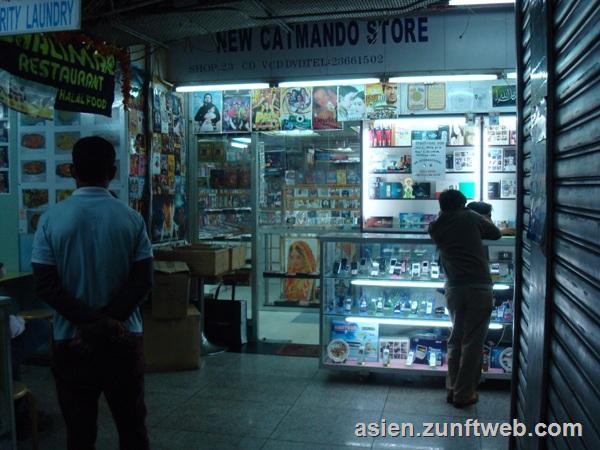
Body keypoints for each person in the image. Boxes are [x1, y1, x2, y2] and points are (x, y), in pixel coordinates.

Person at [31, 136, 153, 450]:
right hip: (123, 340)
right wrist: (108, 324)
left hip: (71, 343)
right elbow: (142, 281)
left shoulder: (50, 220)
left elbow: (47, 285)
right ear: (112, 172)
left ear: (72, 170)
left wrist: (89, 327)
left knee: (80, 434)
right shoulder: (132, 219)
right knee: (132, 429)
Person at [428, 189, 501, 408]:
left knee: (456, 338)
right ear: (462, 204)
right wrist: (479, 216)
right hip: (478, 285)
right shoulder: (470, 217)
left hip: (454, 287)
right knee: (473, 342)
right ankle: (464, 393)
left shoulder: (435, 226)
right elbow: (495, 233)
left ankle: (451, 389)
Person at [284, 241, 317, 305]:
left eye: (298, 257)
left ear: (305, 258)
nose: (294, 261)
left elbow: (306, 299)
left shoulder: (309, 276)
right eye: (291, 257)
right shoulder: (290, 275)